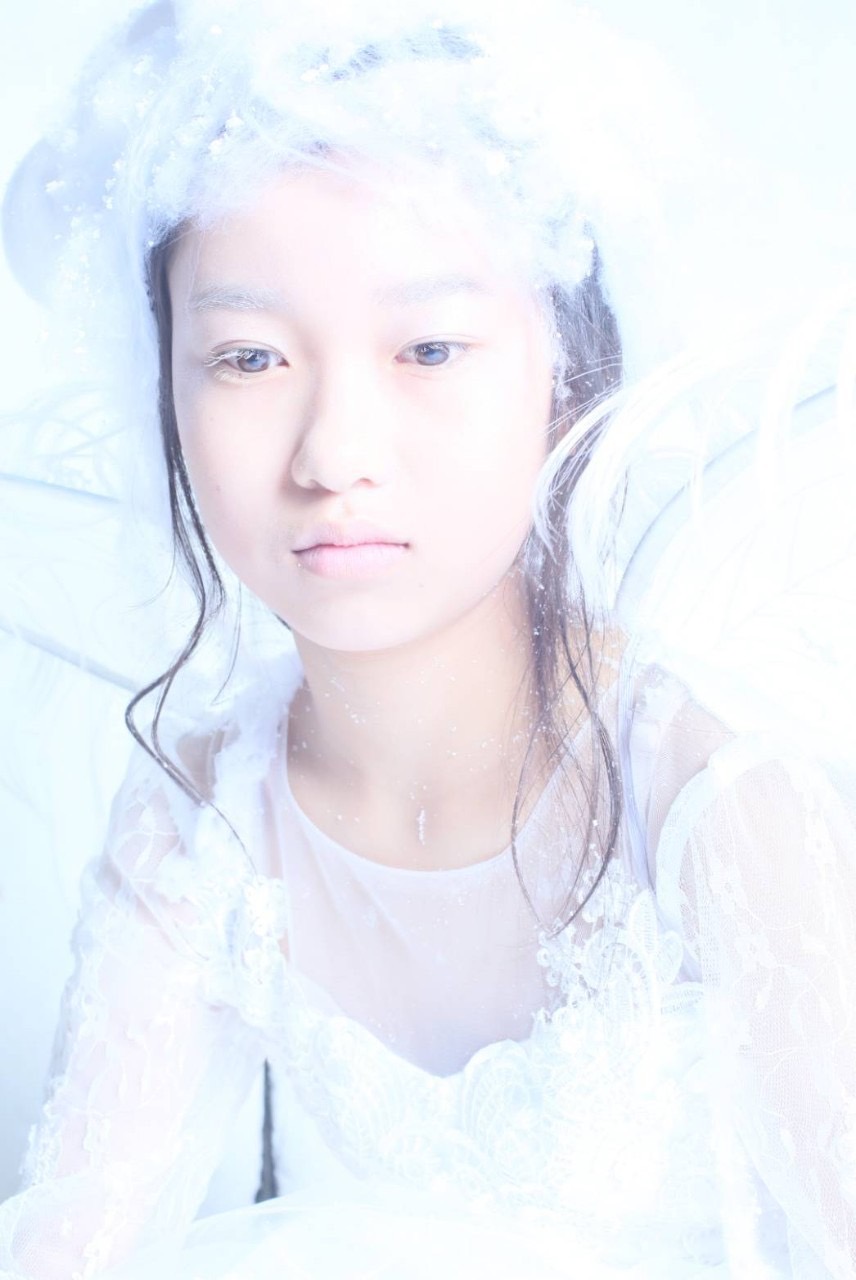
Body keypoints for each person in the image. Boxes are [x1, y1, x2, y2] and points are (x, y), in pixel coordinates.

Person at [0, 1, 854, 1277]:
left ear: (562, 367)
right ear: (164, 382)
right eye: (248, 357)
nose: (335, 453)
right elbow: (71, 1238)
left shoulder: (715, 801)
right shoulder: (200, 810)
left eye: (430, 347)